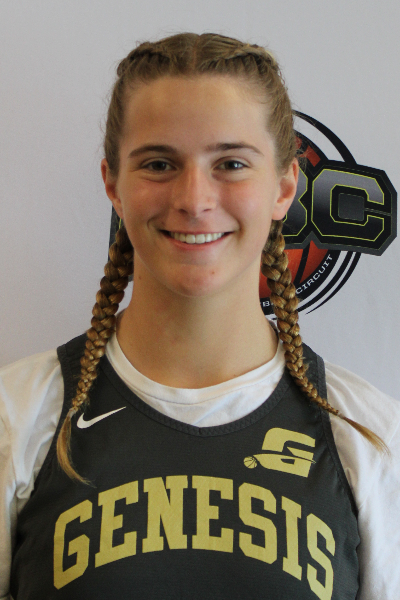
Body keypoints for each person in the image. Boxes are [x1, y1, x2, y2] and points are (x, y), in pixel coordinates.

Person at [1, 31, 399, 600]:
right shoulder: (19, 418)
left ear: (285, 186)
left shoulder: (368, 437)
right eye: (159, 163)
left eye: (231, 163)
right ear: (113, 183)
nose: (193, 199)